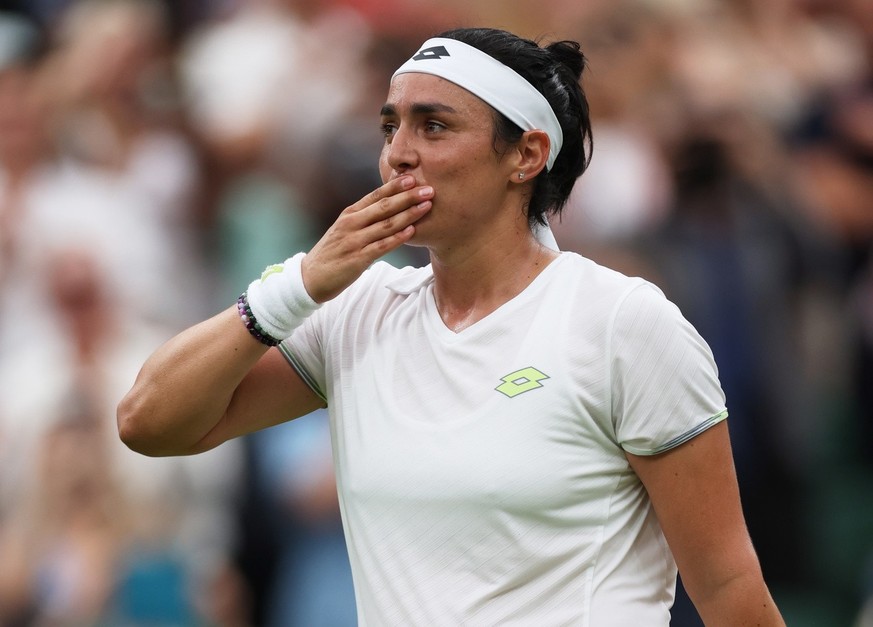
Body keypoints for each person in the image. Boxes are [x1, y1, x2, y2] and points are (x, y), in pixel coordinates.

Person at [118, 26, 784, 625]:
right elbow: (149, 421)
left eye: (432, 126)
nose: (397, 154)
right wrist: (295, 287)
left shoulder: (620, 322)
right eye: (390, 127)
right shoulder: (356, 310)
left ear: (525, 155)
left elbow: (727, 585)